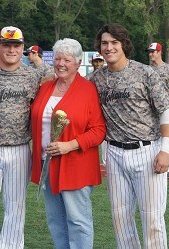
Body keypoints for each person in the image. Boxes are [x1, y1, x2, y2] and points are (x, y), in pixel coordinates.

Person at [87, 23, 169, 248]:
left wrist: (165, 150)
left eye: (114, 42)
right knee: (120, 218)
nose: (109, 47)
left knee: (152, 219)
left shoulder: (145, 73)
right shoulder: (96, 79)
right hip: (114, 153)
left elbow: (166, 112)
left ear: (124, 44)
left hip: (147, 151)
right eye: (105, 43)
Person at [0, 26, 54, 249]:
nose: (11, 49)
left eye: (16, 45)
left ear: (23, 48)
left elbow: (57, 82)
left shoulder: (33, 75)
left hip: (19, 149)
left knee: (16, 207)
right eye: (6, 44)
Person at [30, 38, 106, 248]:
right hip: (48, 164)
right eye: (58, 58)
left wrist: (70, 145)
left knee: (78, 221)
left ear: (78, 63)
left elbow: (99, 130)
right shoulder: (46, 87)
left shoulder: (87, 89)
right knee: (56, 221)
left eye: (67, 59)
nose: (61, 63)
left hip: (75, 165)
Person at [147, 42, 169, 180]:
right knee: (152, 137)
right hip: (150, 110)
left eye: (153, 51)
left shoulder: (168, 69)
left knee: (166, 136)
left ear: (160, 52)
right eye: (150, 51)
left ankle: (168, 167)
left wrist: (160, 100)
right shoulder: (147, 70)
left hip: (164, 108)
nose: (151, 54)